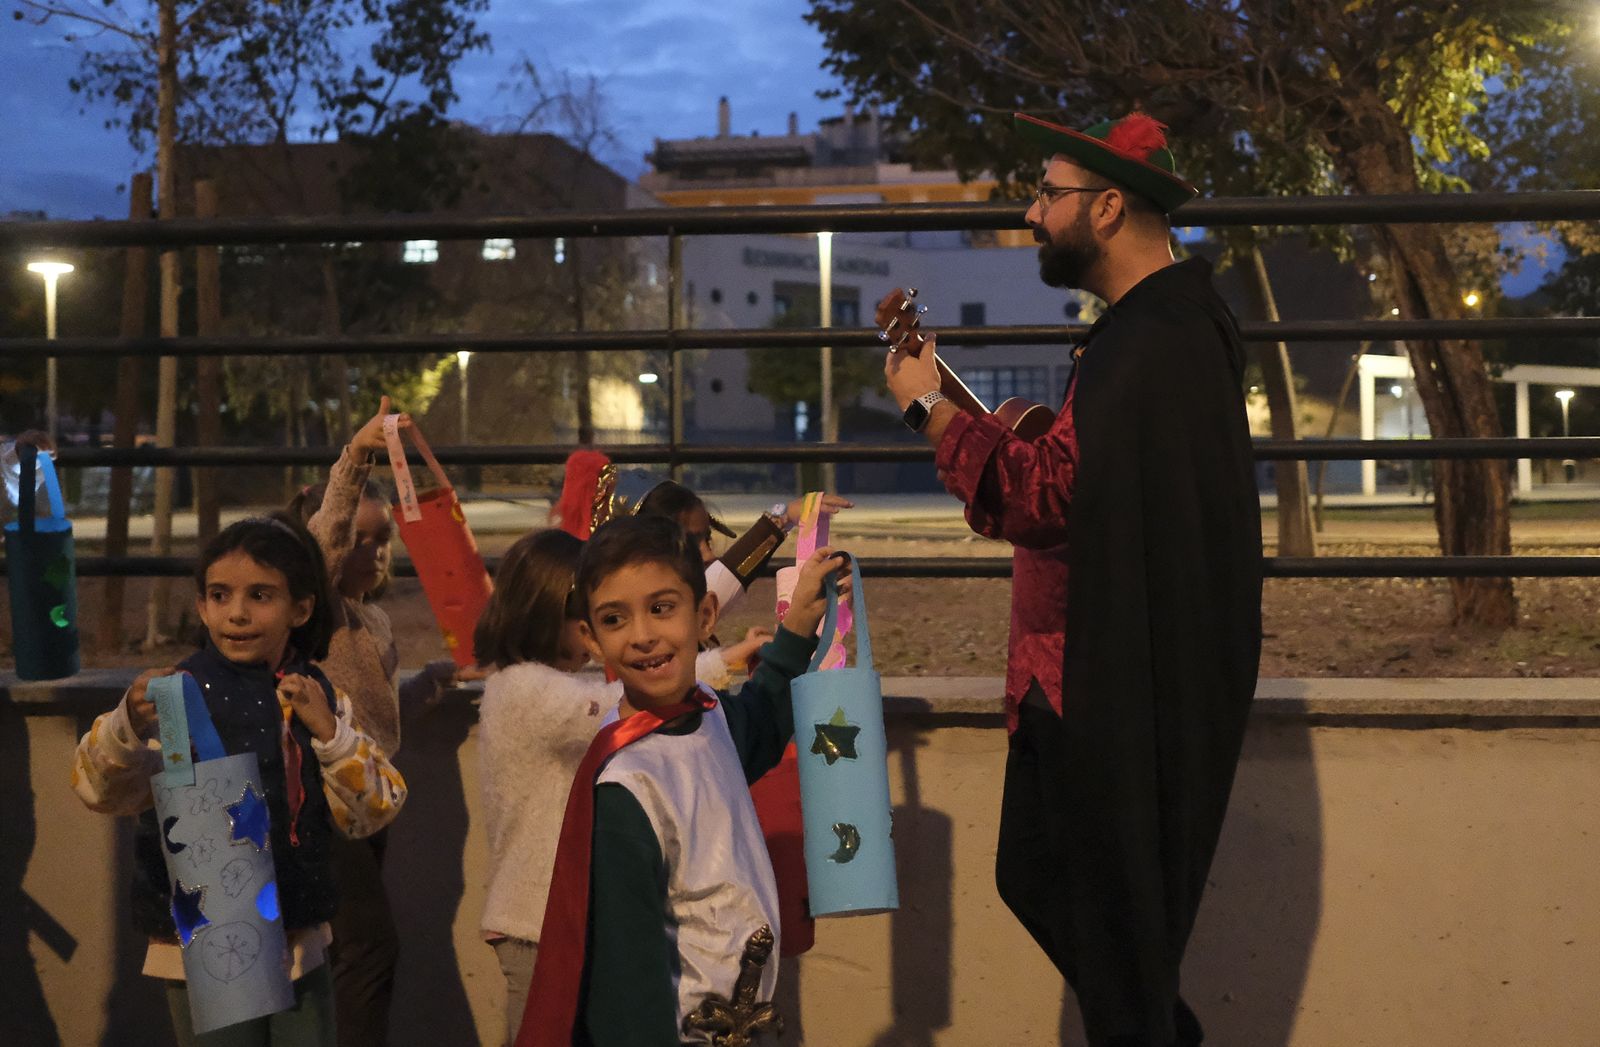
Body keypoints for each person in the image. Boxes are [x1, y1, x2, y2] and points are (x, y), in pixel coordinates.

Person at [882, 111, 1263, 1047]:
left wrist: (929, 409)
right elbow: (1092, 482)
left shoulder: (1149, 341)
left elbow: (1048, 496)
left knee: (1100, 910)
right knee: (1069, 895)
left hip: (1112, 688)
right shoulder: (1169, 326)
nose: (1031, 212)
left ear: (1107, 206)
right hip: (1122, 673)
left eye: (1047, 194)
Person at [70, 514, 408, 1046]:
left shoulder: (316, 696)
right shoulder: (174, 698)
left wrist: (330, 733)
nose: (237, 613)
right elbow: (101, 790)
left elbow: (373, 808)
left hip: (298, 936)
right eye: (220, 595)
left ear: (301, 608)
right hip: (208, 944)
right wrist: (126, 725)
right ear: (202, 605)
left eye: (261, 595)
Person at [514, 514, 848, 1047]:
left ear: (704, 614)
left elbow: (760, 722)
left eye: (662, 608)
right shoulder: (628, 788)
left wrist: (799, 627)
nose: (643, 635)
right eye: (615, 619)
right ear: (591, 639)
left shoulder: (707, 713)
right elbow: (627, 984)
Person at [474, 527, 765, 1046]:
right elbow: (629, 700)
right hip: (536, 923)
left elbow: (671, 615)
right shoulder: (521, 689)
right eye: (607, 617)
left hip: (556, 918)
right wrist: (722, 660)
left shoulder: (545, 682)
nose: (632, 632)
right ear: (564, 619)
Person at [288, 398, 470, 1047]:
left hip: (369, 796)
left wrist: (431, 682)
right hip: (329, 798)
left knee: (348, 946)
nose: (372, 551)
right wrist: (356, 459)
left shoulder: (376, 620)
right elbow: (323, 540)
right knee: (369, 947)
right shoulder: (321, 612)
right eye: (357, 539)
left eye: (382, 539)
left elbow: (380, 711)